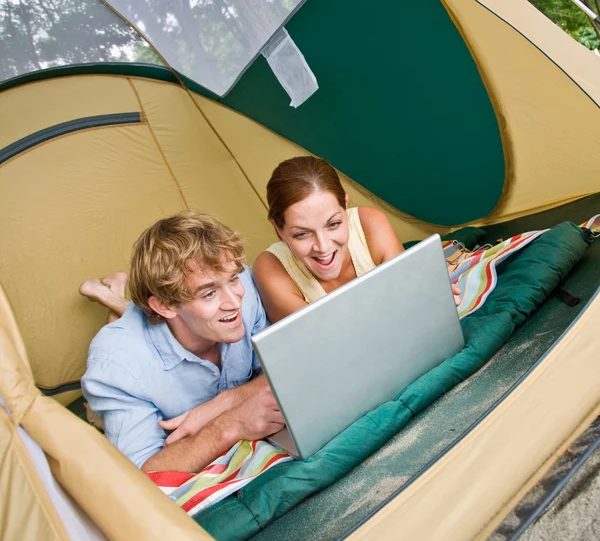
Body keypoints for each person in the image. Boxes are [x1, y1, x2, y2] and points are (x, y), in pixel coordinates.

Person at [80, 211, 284, 473]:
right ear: (165, 305)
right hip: (124, 372)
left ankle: (113, 293)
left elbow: (288, 363)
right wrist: (232, 424)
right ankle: (112, 295)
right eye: (209, 293)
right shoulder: (117, 368)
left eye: (232, 279)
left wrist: (221, 404)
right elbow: (142, 474)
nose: (234, 302)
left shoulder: (243, 286)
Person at [253, 156, 461, 323]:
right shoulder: (270, 268)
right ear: (278, 228)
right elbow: (322, 341)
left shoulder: (370, 224)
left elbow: (411, 297)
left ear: (345, 205)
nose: (323, 247)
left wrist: (428, 296)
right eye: (301, 234)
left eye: (333, 224)